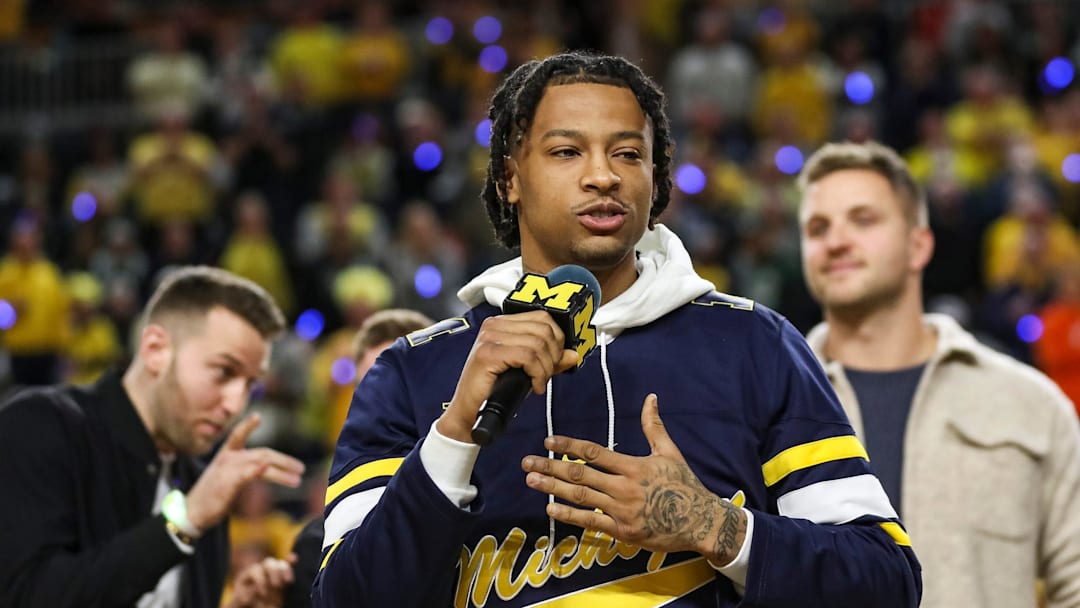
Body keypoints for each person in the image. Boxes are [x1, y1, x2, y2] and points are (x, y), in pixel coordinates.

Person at [314, 52, 921, 608]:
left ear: (655, 180)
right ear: (510, 179)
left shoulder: (755, 345)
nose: (603, 176)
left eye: (628, 154)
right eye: (566, 152)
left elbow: (885, 582)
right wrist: (452, 434)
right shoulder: (416, 371)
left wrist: (713, 526)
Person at [796, 140, 1080, 607]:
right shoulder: (761, 405)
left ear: (918, 244)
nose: (837, 240)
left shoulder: (1031, 405)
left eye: (863, 220)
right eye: (817, 227)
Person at [0, 265, 307, 607]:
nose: (236, 405)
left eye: (251, 384)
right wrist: (183, 523)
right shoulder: (42, 425)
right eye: (224, 371)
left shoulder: (203, 486)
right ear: (156, 350)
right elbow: (26, 596)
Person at [283, 308, 433, 608]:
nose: (388, 410)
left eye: (404, 390)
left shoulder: (489, 512)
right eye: (373, 392)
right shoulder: (316, 547)